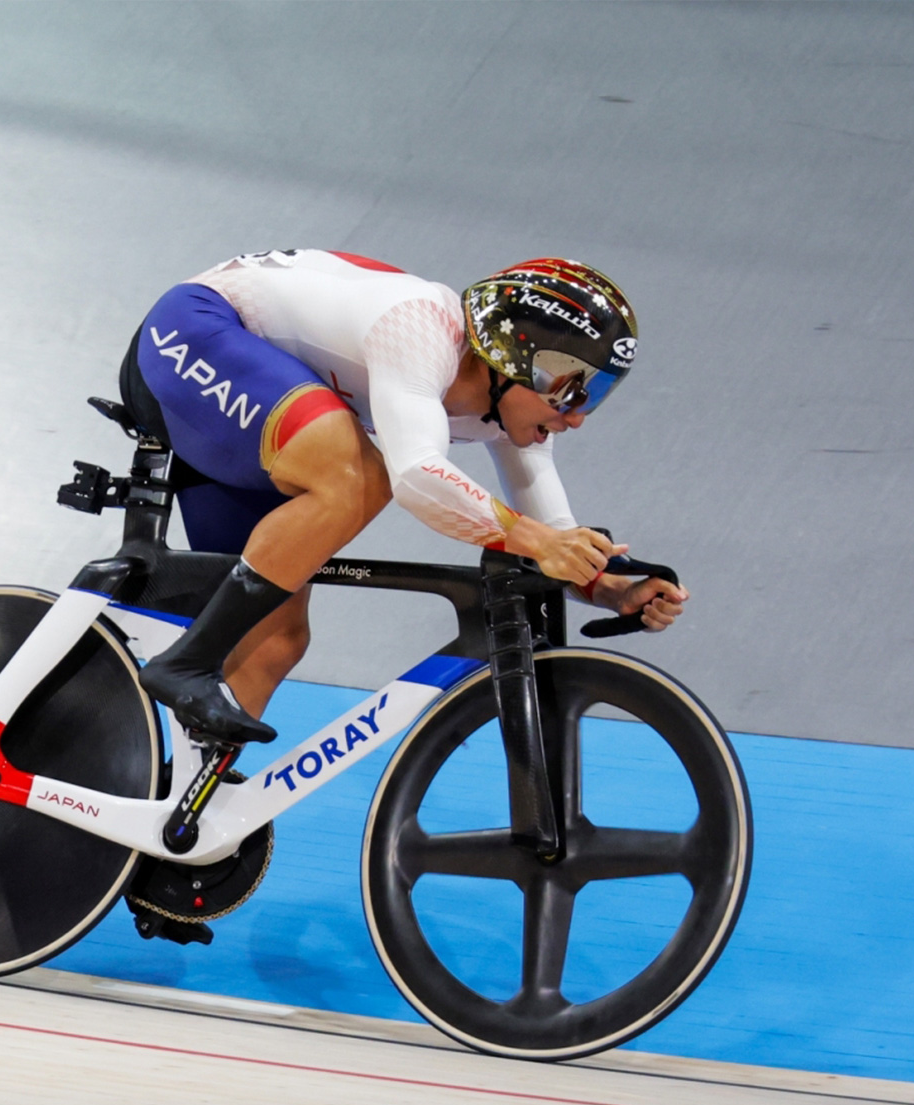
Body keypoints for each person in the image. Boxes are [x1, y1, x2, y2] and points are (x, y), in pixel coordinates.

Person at [117, 249, 688, 745]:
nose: (580, 416)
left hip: (250, 403)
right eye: (573, 390)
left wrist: (609, 586)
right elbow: (416, 477)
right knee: (357, 477)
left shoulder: (503, 409)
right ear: (516, 365)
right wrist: (536, 540)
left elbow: (553, 531)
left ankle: (177, 817)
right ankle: (185, 663)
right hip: (194, 332)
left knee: (272, 642)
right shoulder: (420, 331)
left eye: (597, 395)